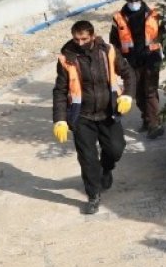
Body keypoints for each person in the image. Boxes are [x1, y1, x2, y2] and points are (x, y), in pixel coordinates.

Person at [52, 20, 135, 215]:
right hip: (82, 117)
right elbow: (60, 91)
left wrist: (128, 95)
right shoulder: (67, 58)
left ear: (92, 35)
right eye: (76, 39)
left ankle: (106, 169)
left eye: (84, 39)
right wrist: (60, 119)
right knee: (88, 159)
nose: (80, 43)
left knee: (116, 149)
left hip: (108, 113)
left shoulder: (108, 51)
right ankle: (93, 195)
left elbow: (128, 73)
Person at [109, 0, 165, 139]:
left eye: (136, 1)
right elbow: (114, 42)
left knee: (150, 91)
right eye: (130, 1)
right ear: (126, 1)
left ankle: (154, 124)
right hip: (132, 61)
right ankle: (147, 119)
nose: (134, 4)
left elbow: (163, 34)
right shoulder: (118, 18)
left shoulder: (154, 14)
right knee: (138, 93)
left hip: (151, 57)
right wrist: (117, 61)